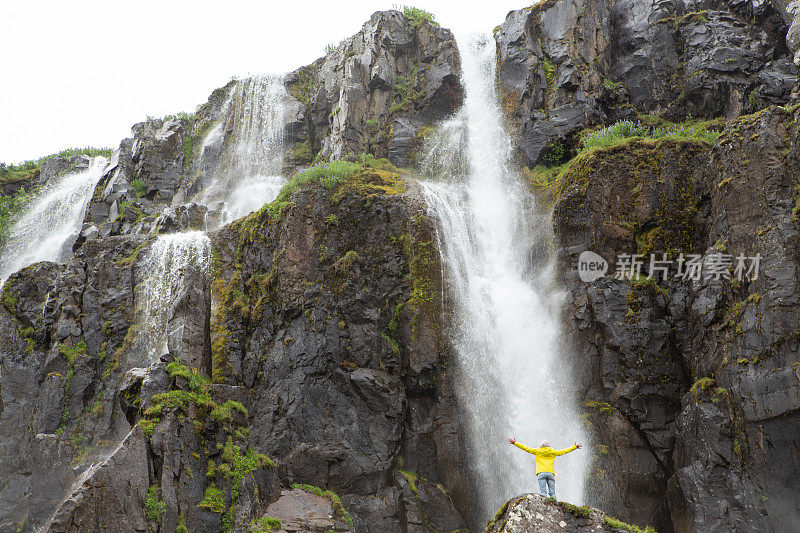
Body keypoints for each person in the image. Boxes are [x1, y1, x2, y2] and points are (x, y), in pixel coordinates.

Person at [508, 437, 582, 500]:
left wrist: (515, 443)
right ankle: (555, 506)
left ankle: (545, 507)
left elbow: (526, 448)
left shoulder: (537, 451)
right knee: (552, 492)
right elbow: (563, 451)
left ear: (541, 446)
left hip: (541, 473)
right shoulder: (553, 452)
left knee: (543, 492)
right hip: (550, 473)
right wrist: (574, 447)